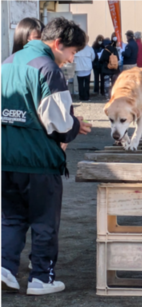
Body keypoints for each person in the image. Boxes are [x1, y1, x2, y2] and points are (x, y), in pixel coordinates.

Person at [1, 17, 92, 295]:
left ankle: (5, 268)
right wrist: (76, 126)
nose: (70, 60)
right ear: (58, 44)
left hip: (6, 158)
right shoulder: (48, 69)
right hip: (39, 161)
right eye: (72, 53)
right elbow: (60, 123)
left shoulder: (7, 62)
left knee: (11, 218)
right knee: (44, 221)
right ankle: (42, 278)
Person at [74, 35, 95, 101]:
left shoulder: (77, 48)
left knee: (80, 83)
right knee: (86, 84)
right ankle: (86, 97)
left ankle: (81, 96)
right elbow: (93, 57)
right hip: (87, 68)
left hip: (78, 68)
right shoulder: (89, 49)